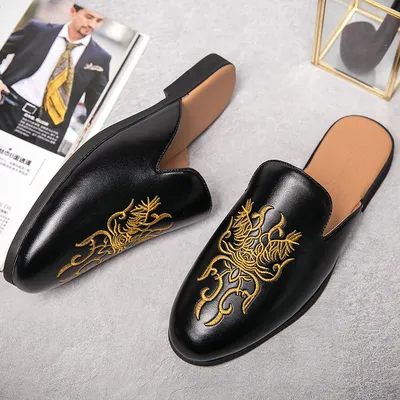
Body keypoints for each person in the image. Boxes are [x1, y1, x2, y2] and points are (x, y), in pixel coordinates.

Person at [0, 5, 111, 153]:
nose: (92, 25)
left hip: (51, 126)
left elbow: (96, 103)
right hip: (9, 107)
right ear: (73, 12)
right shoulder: (37, 29)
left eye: (99, 20)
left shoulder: (101, 57)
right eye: (89, 17)